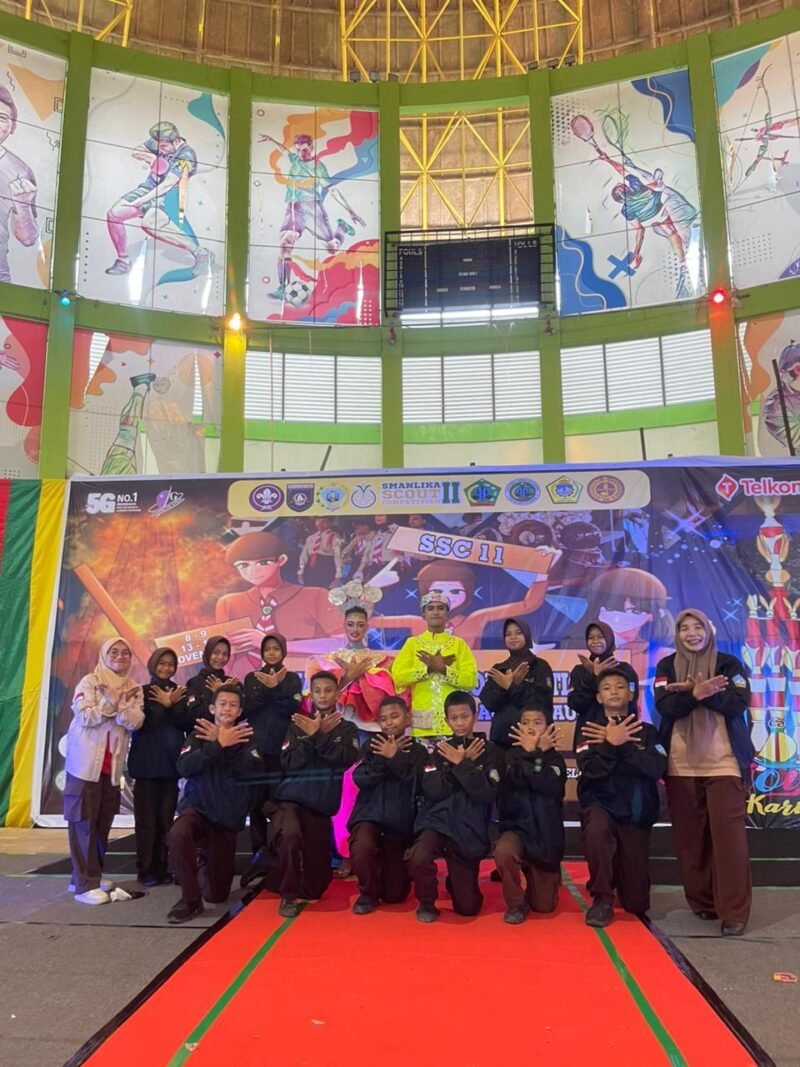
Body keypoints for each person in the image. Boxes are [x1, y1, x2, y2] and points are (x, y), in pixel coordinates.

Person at [655, 609, 753, 937]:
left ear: (709, 630)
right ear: (677, 634)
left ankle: (734, 912)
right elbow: (665, 706)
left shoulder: (729, 664)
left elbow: (738, 702)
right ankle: (703, 902)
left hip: (724, 763)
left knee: (730, 842)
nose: (691, 633)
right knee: (690, 841)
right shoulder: (666, 667)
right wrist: (693, 695)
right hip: (681, 766)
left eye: (698, 626)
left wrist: (705, 694)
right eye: (684, 628)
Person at [575, 668, 667, 928]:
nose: (614, 691)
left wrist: (623, 744)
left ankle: (621, 874)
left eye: (620, 686)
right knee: (597, 830)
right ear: (599, 697)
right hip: (600, 805)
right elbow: (590, 770)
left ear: (630, 694)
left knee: (636, 903)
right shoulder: (590, 730)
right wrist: (608, 744)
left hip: (635, 812)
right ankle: (601, 898)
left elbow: (656, 768)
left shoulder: (647, 731)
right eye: (607, 688)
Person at [265, 671, 360, 918]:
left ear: (337, 694)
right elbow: (289, 762)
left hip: (320, 808)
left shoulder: (347, 729)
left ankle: (282, 877)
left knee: (315, 889)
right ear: (311, 694)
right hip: (291, 802)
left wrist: (319, 736)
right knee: (290, 835)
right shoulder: (297, 725)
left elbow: (345, 759)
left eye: (328, 690)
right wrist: (309, 736)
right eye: (317, 691)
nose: (323, 695)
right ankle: (287, 894)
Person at [166, 684, 260, 923]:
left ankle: (204, 865)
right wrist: (215, 745)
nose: (227, 709)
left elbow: (253, 771)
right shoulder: (199, 733)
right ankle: (190, 899)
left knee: (217, 895)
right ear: (212, 708)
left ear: (240, 711)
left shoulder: (247, 737)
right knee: (178, 833)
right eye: (222, 704)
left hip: (226, 817)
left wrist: (228, 746)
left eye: (233, 705)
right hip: (197, 808)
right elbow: (184, 767)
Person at [406, 691, 501, 922]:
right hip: (437, 823)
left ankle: (455, 882)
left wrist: (462, 764)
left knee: (468, 908)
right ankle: (426, 902)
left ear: (475, 716)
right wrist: (454, 766)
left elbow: (487, 793)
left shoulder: (491, 752)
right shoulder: (439, 751)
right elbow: (432, 790)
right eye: (454, 718)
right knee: (419, 856)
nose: (460, 723)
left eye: (464, 716)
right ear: (447, 720)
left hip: (468, 829)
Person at [64, 638, 144, 905]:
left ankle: (89, 876)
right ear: (104, 655)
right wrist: (110, 703)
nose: (120, 657)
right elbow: (85, 717)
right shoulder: (90, 682)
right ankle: (84, 885)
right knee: (83, 823)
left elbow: (136, 721)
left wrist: (119, 706)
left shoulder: (134, 687)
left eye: (125, 653)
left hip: (111, 769)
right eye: (114, 652)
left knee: (101, 824)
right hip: (85, 766)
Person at [215, 531, 343, 672]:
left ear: (281, 560)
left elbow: (343, 643)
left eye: (263, 563)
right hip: (243, 679)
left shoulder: (315, 596)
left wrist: (272, 645)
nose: (252, 572)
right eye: (243, 565)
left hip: (297, 679)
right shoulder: (229, 603)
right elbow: (225, 655)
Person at [260, 132, 365, 301]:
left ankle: (342, 227)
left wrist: (350, 210)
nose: (302, 154)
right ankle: (283, 288)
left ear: (312, 148)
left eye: (305, 150)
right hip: (294, 208)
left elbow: (332, 189)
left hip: (312, 209)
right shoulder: (295, 160)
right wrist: (272, 140)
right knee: (285, 245)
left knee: (332, 249)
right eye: (298, 150)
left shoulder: (318, 167)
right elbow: (285, 151)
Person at [347, 696, 427, 915]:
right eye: (384, 719)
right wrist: (384, 758)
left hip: (398, 825)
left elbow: (418, 784)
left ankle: (389, 869)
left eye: (394, 717)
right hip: (369, 817)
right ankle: (367, 894)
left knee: (395, 896)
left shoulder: (419, 751)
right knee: (362, 847)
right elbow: (360, 777)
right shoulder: (371, 746)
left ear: (407, 718)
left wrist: (395, 757)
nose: (389, 723)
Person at [105, 121, 211, 278]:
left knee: (149, 224)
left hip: (168, 196)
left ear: (176, 141)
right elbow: (136, 151)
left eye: (164, 147)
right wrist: (151, 158)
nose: (160, 149)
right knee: (113, 214)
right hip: (148, 188)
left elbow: (167, 185)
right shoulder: (160, 140)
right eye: (158, 146)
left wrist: (141, 201)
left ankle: (200, 253)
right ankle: (123, 261)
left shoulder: (186, 156)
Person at [494, 707, 566, 924]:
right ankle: (516, 903)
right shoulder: (509, 756)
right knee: (504, 851)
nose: (531, 727)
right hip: (516, 829)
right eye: (525, 722)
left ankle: (539, 873)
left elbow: (546, 784)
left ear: (548, 728)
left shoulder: (556, 760)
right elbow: (516, 779)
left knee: (544, 907)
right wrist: (530, 754)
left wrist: (536, 754)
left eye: (537, 722)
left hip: (544, 835)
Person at [128, 647, 192, 887]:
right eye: (162, 663)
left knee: (166, 821)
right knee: (146, 822)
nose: (166, 668)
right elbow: (143, 724)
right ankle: (146, 871)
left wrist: (171, 704)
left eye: (170, 664)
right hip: (146, 766)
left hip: (170, 766)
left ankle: (164, 868)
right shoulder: (141, 692)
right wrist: (164, 705)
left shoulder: (180, 692)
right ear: (153, 665)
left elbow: (185, 722)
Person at [241, 633, 303, 861]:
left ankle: (279, 851)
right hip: (256, 749)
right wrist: (266, 688)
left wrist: (276, 687)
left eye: (276, 648)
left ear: (283, 651)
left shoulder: (292, 679)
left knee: (278, 802)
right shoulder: (252, 678)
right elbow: (247, 710)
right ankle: (259, 853)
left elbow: (293, 709)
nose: (271, 653)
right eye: (267, 649)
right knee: (255, 802)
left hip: (282, 749)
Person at [391, 592, 478, 740]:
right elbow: (398, 678)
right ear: (423, 615)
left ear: (447, 614)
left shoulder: (459, 645)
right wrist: (427, 670)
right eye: (430, 608)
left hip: (453, 723)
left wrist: (443, 670)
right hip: (423, 723)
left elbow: (470, 681)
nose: (435, 612)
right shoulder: (412, 644)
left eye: (440, 608)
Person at [479, 618, 554, 746]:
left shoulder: (540, 666)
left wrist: (512, 686)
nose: (513, 637)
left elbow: (543, 702)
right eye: (508, 634)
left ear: (527, 635)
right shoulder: (499, 669)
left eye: (518, 633)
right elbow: (489, 703)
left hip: (534, 740)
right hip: (502, 740)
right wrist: (503, 688)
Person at [567, 620, 639, 730]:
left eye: (600, 637)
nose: (595, 641)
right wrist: (593, 676)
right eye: (591, 638)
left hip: (621, 730)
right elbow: (576, 704)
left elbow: (632, 699)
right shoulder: (580, 671)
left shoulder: (625, 669)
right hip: (589, 731)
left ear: (609, 639)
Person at [0, 87, 39, 283]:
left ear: (13, 126)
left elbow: (28, 238)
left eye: (2, 118)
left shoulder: (20, 171)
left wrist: (23, 205)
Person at [186, 636, 237, 723]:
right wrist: (215, 694)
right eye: (216, 653)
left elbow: (241, 714)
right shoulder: (194, 683)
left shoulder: (232, 683)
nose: (220, 657)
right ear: (208, 653)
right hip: (203, 731)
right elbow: (194, 715)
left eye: (225, 654)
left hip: (229, 731)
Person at [298, 517, 344, 588]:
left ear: (329, 523)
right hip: (310, 569)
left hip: (326, 569)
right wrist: (300, 572)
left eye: (324, 521)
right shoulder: (310, 538)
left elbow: (338, 557)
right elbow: (304, 556)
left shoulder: (335, 537)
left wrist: (338, 576)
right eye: (318, 520)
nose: (320, 523)